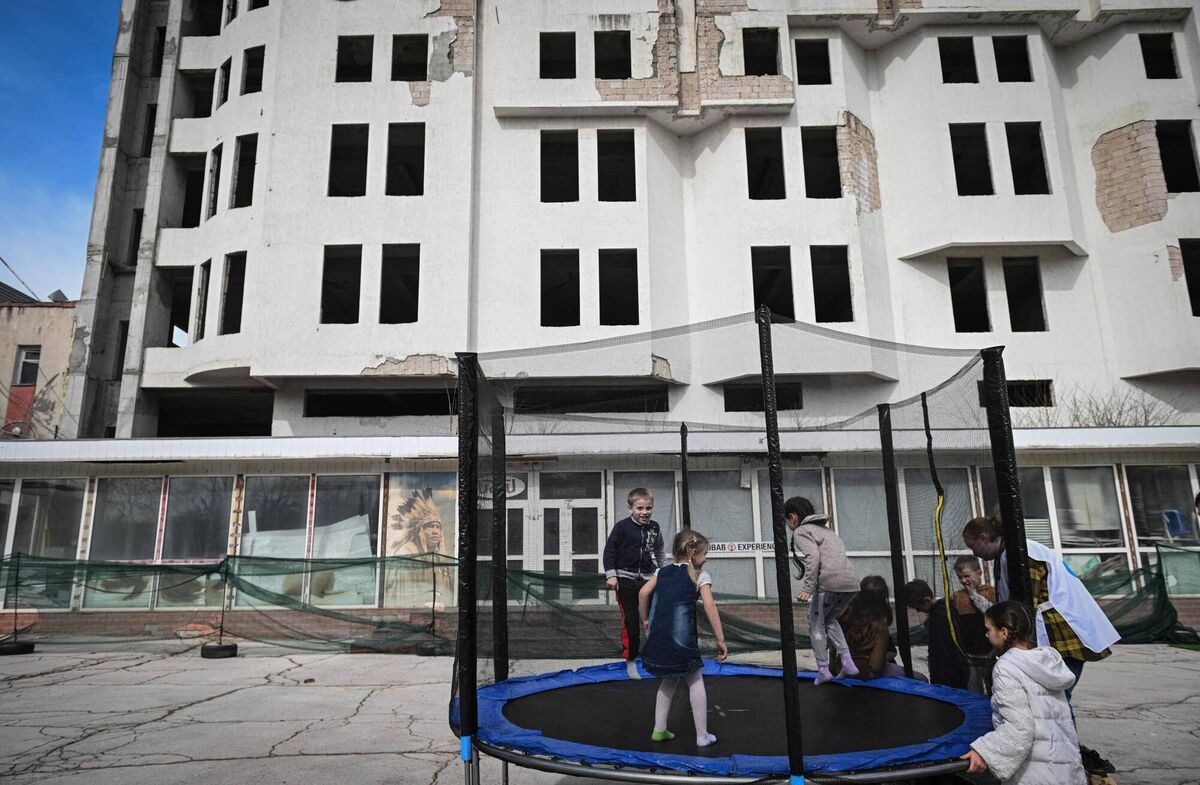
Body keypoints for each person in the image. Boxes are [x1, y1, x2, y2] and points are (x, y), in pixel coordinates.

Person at [963, 516, 1118, 718]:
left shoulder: (1022, 553)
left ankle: (1063, 737)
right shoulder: (1006, 555)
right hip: (1053, 635)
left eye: (972, 546)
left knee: (1055, 700)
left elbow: (1024, 607)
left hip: (1062, 635)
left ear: (984, 537)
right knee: (1051, 700)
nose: (974, 553)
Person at [960, 601, 1086, 784]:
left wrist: (984, 752)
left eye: (988, 629)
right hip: (1065, 768)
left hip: (1036, 774)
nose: (986, 634)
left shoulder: (1006, 667)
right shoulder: (1046, 662)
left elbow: (1019, 729)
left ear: (1003, 632)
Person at [638, 529, 728, 747]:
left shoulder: (662, 572)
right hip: (681, 643)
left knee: (669, 680)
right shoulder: (699, 575)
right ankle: (702, 736)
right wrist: (720, 639)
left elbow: (643, 593)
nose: (706, 559)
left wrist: (646, 620)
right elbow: (710, 607)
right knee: (695, 679)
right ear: (693, 553)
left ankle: (659, 730)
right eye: (705, 554)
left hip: (658, 639)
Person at [785, 496, 860, 684]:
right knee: (829, 619)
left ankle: (823, 669)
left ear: (793, 517)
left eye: (786, 521)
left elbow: (813, 557)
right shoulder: (827, 531)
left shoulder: (802, 531)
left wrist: (808, 588)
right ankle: (848, 662)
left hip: (829, 584)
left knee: (815, 623)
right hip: (851, 584)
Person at [604, 488, 667, 674]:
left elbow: (659, 550)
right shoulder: (622, 527)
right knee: (631, 621)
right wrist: (611, 575)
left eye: (648, 508)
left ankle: (656, 655)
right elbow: (609, 551)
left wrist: (663, 571)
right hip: (625, 578)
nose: (644, 512)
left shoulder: (654, 527)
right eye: (640, 508)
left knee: (653, 619)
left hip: (647, 579)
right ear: (630, 508)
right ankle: (631, 659)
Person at [836, 575, 926, 680]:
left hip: (841, 669)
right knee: (921, 678)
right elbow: (876, 667)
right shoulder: (879, 625)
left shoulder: (844, 614)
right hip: (864, 673)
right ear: (882, 599)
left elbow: (834, 651)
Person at [904, 578, 970, 689]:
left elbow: (941, 649)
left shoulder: (939, 616)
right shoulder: (945, 610)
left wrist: (937, 673)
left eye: (918, 607)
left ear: (927, 600)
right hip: (954, 669)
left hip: (948, 672)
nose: (918, 611)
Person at [952, 555, 996, 691]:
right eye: (960, 577)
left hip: (989, 651)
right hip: (969, 652)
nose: (963, 581)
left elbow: (991, 613)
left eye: (966, 576)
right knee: (973, 688)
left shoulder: (990, 592)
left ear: (979, 574)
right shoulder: (957, 597)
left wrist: (974, 594)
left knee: (993, 686)